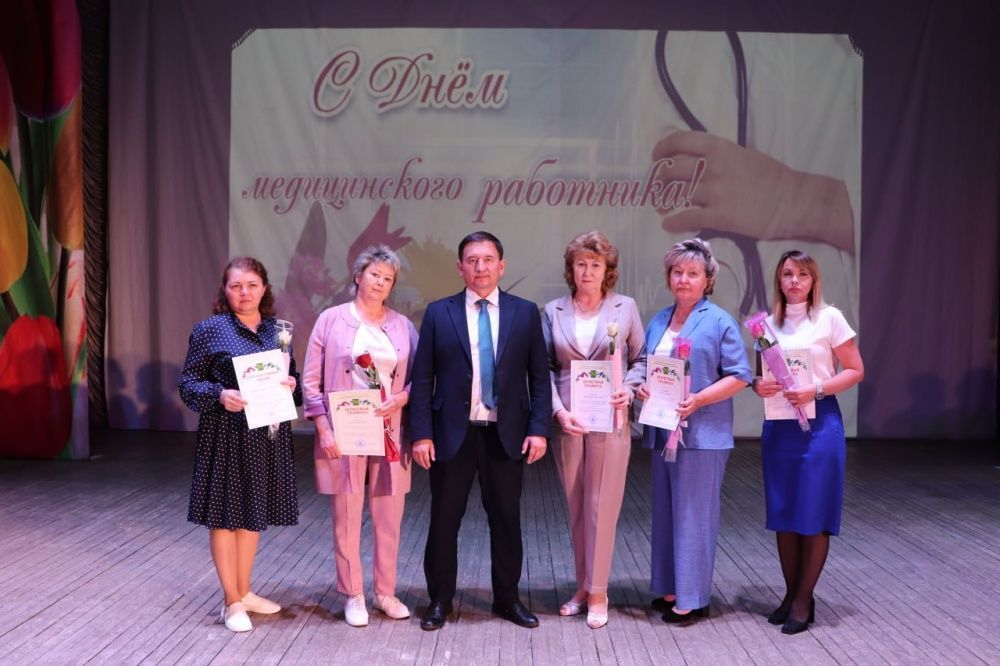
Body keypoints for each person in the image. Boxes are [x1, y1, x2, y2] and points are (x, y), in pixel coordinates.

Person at [409, 231, 551, 631]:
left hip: (505, 435)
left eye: (488, 260)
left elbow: (539, 378)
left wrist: (539, 429)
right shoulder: (439, 313)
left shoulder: (525, 313)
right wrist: (422, 434)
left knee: (506, 520)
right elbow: (423, 379)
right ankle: (439, 600)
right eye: (472, 260)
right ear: (460, 267)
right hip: (451, 435)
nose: (480, 267)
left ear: (501, 266)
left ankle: (508, 598)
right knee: (444, 521)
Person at [178, 257, 301, 633]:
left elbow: (292, 380)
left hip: (266, 435)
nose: (244, 292)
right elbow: (188, 384)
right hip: (226, 434)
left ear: (264, 289)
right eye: (236, 286)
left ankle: (245, 591)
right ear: (225, 290)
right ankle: (230, 601)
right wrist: (220, 394)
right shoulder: (210, 330)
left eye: (251, 285)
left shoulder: (277, 331)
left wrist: (292, 384)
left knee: (252, 514)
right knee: (224, 517)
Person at [301, 244, 418, 627]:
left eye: (388, 279)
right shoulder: (331, 320)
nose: (380, 283)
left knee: (389, 516)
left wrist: (402, 397)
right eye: (374, 275)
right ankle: (353, 593)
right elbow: (311, 381)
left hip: (390, 430)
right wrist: (323, 428)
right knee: (347, 516)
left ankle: (386, 592)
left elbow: (421, 378)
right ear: (358, 276)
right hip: (346, 429)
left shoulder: (403, 326)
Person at [635, 238, 752, 623]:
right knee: (666, 513)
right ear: (668, 277)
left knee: (693, 515)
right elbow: (647, 367)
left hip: (702, 436)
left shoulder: (718, 321)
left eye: (692, 273)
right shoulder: (659, 319)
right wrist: (643, 389)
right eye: (677, 272)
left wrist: (699, 399)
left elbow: (740, 375)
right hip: (662, 430)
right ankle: (672, 587)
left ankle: (693, 597)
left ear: (708, 279)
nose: (684, 279)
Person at [751, 249, 864, 635]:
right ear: (779, 280)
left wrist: (815, 389)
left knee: (813, 514)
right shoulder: (766, 325)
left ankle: (803, 599)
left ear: (813, 280)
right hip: (780, 425)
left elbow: (855, 370)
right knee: (785, 514)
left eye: (802, 274)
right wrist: (759, 385)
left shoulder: (830, 318)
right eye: (788, 274)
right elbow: (762, 376)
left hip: (820, 425)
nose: (795, 281)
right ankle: (790, 594)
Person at [541, 231, 645, 629]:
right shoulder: (552, 311)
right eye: (581, 264)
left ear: (607, 270)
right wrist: (557, 410)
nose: (587, 271)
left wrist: (629, 389)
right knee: (577, 506)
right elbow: (544, 368)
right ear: (571, 269)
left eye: (595, 264)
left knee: (603, 505)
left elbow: (642, 359)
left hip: (610, 417)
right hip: (570, 420)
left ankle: (599, 591)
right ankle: (583, 586)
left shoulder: (625, 307)